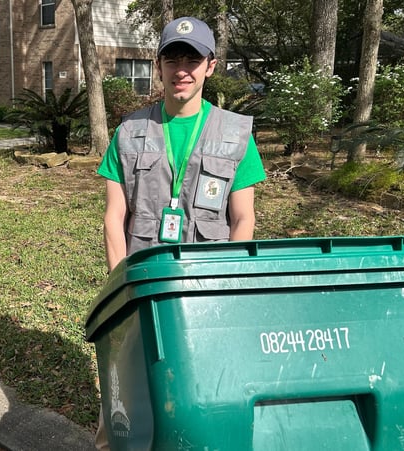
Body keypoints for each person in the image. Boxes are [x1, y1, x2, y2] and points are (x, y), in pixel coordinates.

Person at [94, 16, 266, 448]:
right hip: (145, 290)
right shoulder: (129, 132)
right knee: (129, 404)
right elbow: (115, 217)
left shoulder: (236, 133)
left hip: (206, 291)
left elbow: (243, 219)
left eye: (193, 58)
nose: (182, 69)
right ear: (159, 65)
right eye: (172, 57)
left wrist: (229, 283)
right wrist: (122, 290)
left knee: (203, 395)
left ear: (211, 65)